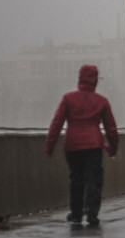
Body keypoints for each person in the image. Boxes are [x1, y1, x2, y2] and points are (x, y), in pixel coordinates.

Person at [44, 64, 119, 228]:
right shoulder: (101, 101)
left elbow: (56, 123)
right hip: (94, 145)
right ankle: (92, 213)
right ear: (96, 80)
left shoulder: (68, 99)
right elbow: (111, 128)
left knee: (76, 179)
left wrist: (50, 146)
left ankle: (76, 213)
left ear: (80, 77)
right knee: (94, 180)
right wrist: (113, 147)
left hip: (72, 145)